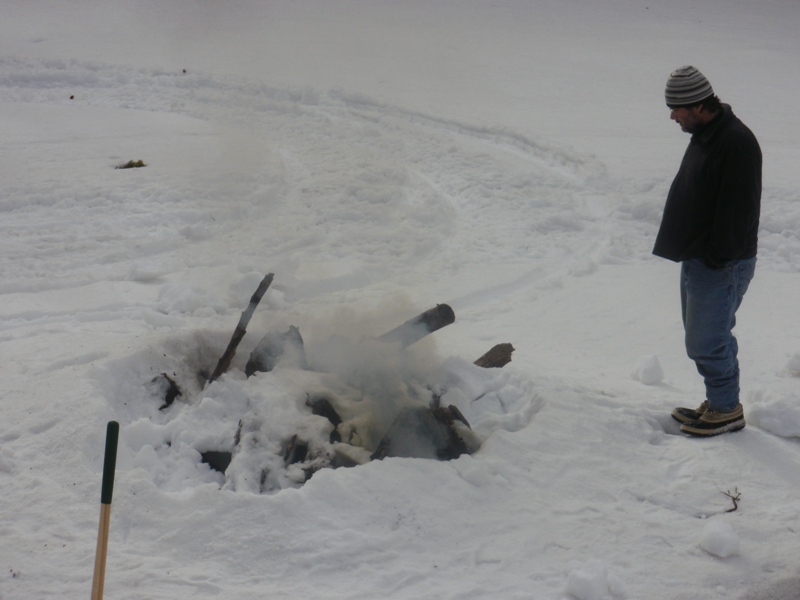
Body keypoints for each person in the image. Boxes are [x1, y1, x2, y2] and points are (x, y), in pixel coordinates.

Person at [653, 65, 762, 437]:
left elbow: (739, 210)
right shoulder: (707, 134)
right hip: (700, 256)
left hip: (721, 262)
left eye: (677, 109)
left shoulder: (735, 142)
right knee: (702, 338)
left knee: (708, 341)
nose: (673, 116)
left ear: (699, 105)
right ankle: (719, 402)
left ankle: (727, 410)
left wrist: (717, 257)